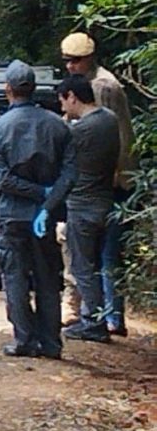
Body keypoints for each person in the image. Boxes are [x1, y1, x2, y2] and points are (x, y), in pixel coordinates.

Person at [0, 60, 75, 359]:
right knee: (49, 279)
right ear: (33, 89)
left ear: (7, 89)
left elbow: (4, 180)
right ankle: (51, 342)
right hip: (45, 218)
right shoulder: (57, 125)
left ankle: (24, 340)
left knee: (15, 278)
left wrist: (37, 194)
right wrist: (48, 201)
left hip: (12, 215)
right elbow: (69, 173)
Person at [61, 32, 136, 336]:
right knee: (94, 251)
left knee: (102, 253)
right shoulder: (86, 86)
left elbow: (108, 140)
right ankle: (94, 312)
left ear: (88, 59)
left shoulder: (102, 87)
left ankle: (107, 317)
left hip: (111, 179)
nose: (70, 66)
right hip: (106, 180)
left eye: (75, 61)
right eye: (67, 60)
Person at [56, 74, 121, 343]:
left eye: (63, 101)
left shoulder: (80, 131)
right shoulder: (109, 120)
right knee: (101, 265)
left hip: (82, 206)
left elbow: (60, 154)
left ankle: (93, 323)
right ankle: (104, 316)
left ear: (73, 96)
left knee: (83, 267)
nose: (62, 108)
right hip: (106, 201)